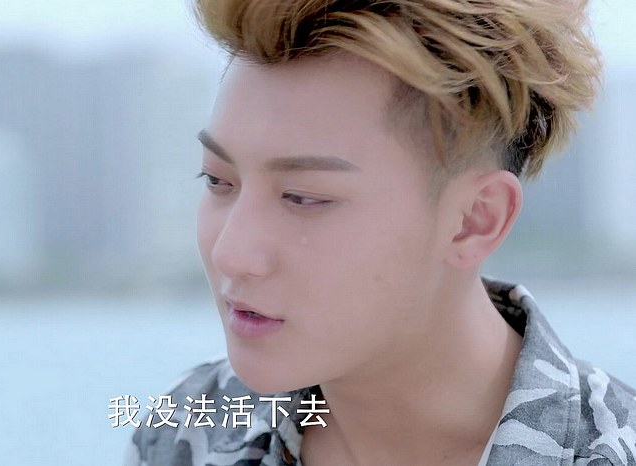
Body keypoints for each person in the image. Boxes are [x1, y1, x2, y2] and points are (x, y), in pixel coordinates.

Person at [124, 0, 636, 464]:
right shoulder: (188, 428)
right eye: (218, 180)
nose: (231, 253)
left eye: (303, 197)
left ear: (474, 220)